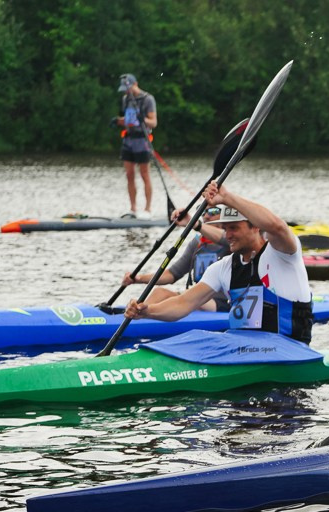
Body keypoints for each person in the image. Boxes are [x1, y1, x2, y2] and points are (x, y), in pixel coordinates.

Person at [125, 182, 314, 342]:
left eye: (234, 228)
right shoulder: (223, 267)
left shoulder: (281, 254)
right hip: (243, 348)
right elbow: (183, 303)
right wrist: (147, 311)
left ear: (255, 227)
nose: (227, 235)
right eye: (225, 228)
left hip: (288, 349)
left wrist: (226, 197)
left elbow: (277, 227)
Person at [121, 206, 232, 311]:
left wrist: (195, 224)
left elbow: (223, 237)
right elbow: (172, 274)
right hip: (200, 298)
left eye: (213, 211)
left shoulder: (232, 241)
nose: (206, 216)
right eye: (203, 212)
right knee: (159, 292)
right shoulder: (197, 243)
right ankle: (138, 315)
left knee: (167, 294)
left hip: (223, 302)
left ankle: (139, 317)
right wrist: (139, 278)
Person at [115, 73, 158, 219]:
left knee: (144, 174)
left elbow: (153, 122)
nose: (127, 92)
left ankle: (147, 209)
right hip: (128, 140)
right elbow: (128, 119)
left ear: (135, 84)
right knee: (129, 174)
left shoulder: (148, 99)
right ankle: (133, 208)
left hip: (142, 140)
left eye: (128, 88)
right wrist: (118, 121)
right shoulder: (125, 99)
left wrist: (143, 119)